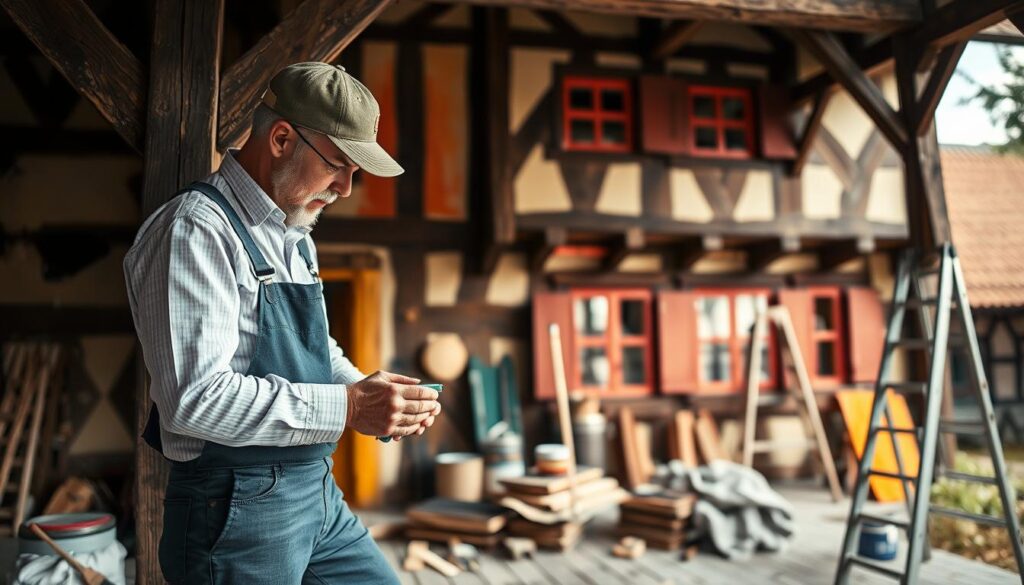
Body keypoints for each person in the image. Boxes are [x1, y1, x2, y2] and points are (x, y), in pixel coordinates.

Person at [124, 62, 439, 584]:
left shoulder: (294, 233)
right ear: (281, 139)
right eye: (338, 164)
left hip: (315, 490)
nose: (344, 187)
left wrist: (367, 390)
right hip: (235, 506)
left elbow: (315, 348)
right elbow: (193, 401)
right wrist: (351, 407)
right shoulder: (196, 233)